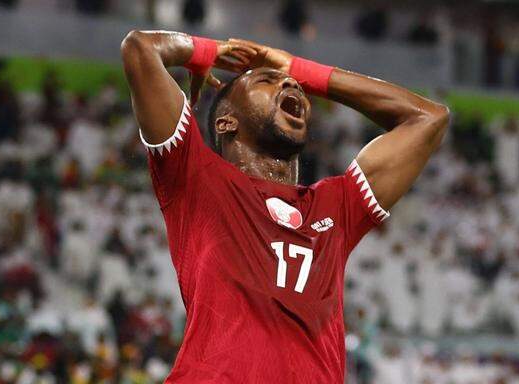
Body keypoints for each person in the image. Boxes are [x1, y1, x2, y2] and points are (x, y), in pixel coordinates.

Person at [121, 29, 449, 383]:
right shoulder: (196, 178)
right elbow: (141, 49)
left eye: (295, 86)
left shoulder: (336, 206)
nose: (291, 87)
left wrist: (300, 69)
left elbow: (428, 118)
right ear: (226, 121)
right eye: (267, 81)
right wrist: (207, 52)